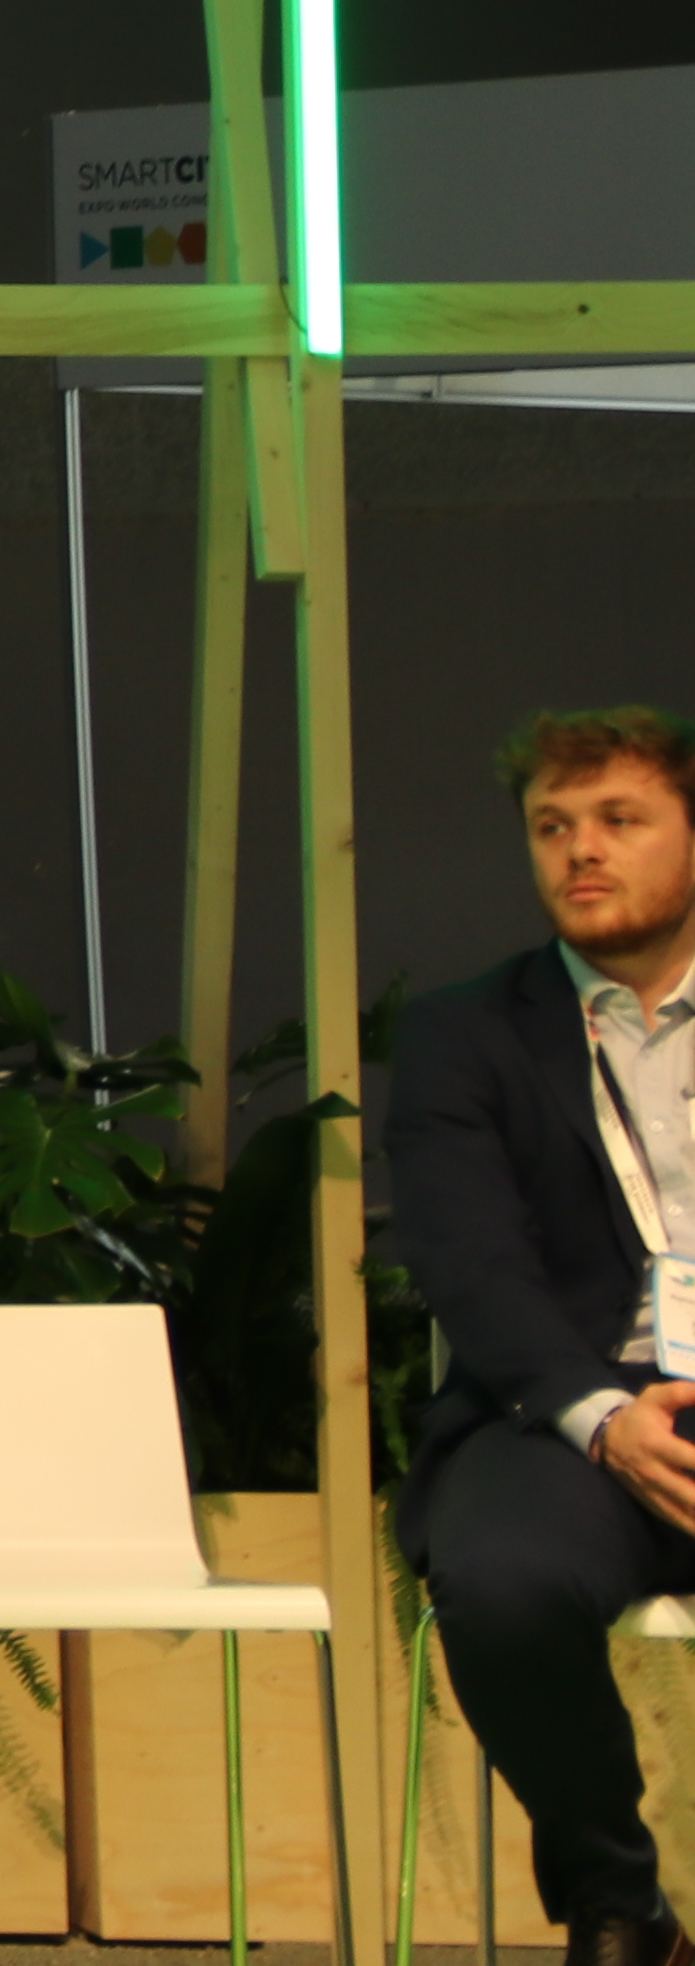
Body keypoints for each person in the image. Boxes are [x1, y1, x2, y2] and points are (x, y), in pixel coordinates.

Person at [397, 705, 695, 1966]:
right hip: (567, 1408)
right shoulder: (468, 1031)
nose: (582, 850)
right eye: (553, 826)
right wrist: (603, 1415)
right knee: (502, 1579)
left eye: (619, 820)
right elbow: (472, 1262)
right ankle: (617, 1901)